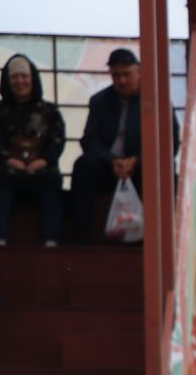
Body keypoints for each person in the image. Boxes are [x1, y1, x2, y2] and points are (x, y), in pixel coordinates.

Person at [67, 47, 174, 242]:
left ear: (139, 73)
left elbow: (170, 142)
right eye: (116, 75)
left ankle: (160, 236)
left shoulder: (158, 101)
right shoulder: (99, 101)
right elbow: (89, 139)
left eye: (126, 74)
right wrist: (112, 160)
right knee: (83, 165)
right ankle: (81, 232)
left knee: (164, 173)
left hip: (141, 167)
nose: (122, 81)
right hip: (109, 166)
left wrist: (137, 160)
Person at [0, 54, 65, 247]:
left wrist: (42, 161)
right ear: (7, 81)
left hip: (41, 170)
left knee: (52, 183)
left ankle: (51, 240)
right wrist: (9, 160)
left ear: (33, 78)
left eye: (24, 76)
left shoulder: (49, 111)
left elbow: (57, 143)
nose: (20, 81)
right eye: (15, 77)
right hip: (6, 169)